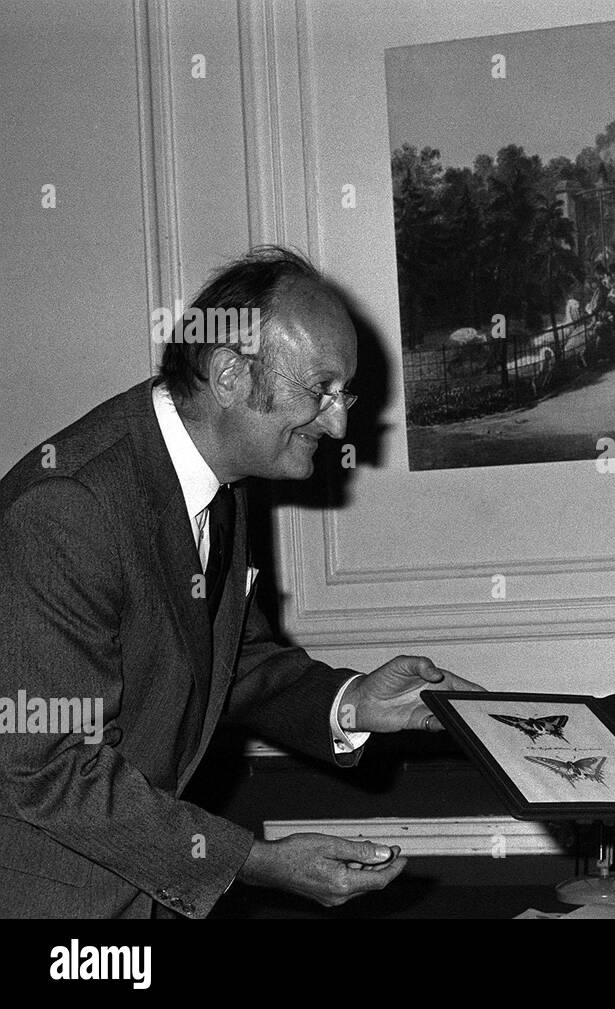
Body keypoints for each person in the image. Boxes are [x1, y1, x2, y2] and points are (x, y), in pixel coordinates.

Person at [0, 246, 482, 918]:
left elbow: (225, 661)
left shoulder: (219, 480)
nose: (340, 424)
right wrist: (252, 861)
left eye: (345, 395)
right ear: (229, 373)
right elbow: (48, 767)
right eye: (321, 390)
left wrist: (352, 703)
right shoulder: (68, 507)